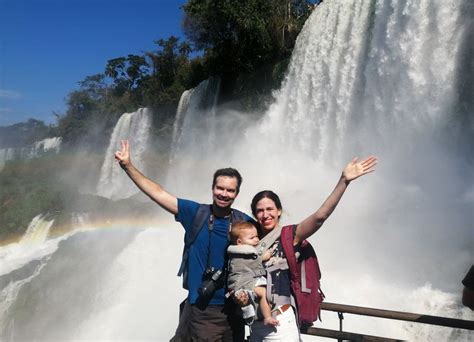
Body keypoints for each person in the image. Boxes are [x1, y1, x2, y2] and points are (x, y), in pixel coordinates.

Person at [114, 140, 253, 341]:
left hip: (234, 309)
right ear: (212, 188)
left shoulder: (245, 223)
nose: (224, 194)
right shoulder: (196, 213)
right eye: (219, 188)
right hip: (202, 307)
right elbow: (158, 193)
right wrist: (128, 166)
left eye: (230, 190)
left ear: (237, 193)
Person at [236, 156, 377, 341]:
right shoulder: (247, 240)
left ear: (279, 210)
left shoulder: (290, 236)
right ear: (254, 214)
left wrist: (344, 181)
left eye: (270, 209)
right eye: (260, 211)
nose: (265, 214)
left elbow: (320, 216)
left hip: (280, 326)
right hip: (255, 326)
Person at [227, 221, 279, 327]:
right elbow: (254, 260)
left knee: (250, 302)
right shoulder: (243, 251)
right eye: (252, 238)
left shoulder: (236, 251)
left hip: (240, 284)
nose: (256, 239)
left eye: (257, 236)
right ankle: (267, 318)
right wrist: (265, 256)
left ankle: (248, 312)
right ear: (239, 242)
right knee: (264, 293)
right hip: (242, 283)